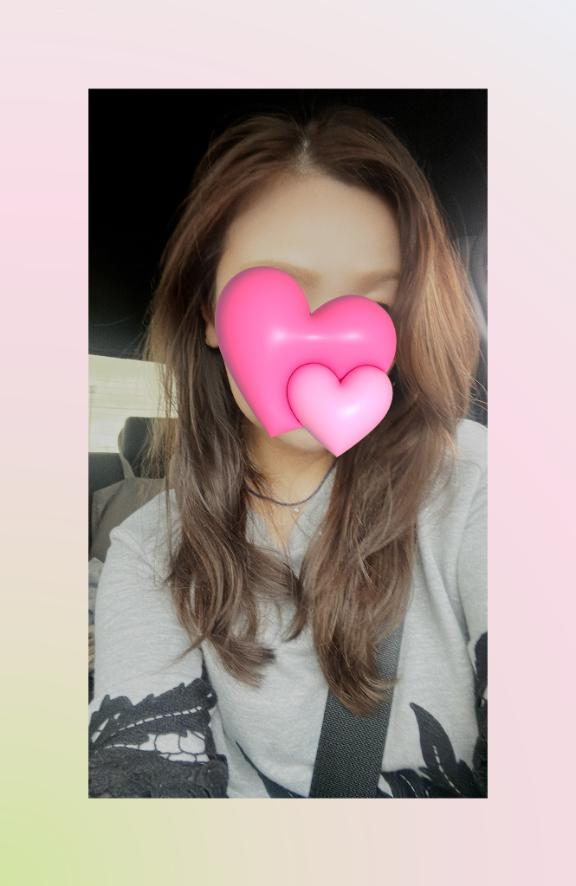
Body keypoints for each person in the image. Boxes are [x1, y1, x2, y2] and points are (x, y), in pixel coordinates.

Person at [89, 104, 487, 798]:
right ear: (208, 313)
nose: (329, 336)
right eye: (281, 288)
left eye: (378, 304)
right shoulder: (152, 551)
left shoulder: (477, 488)